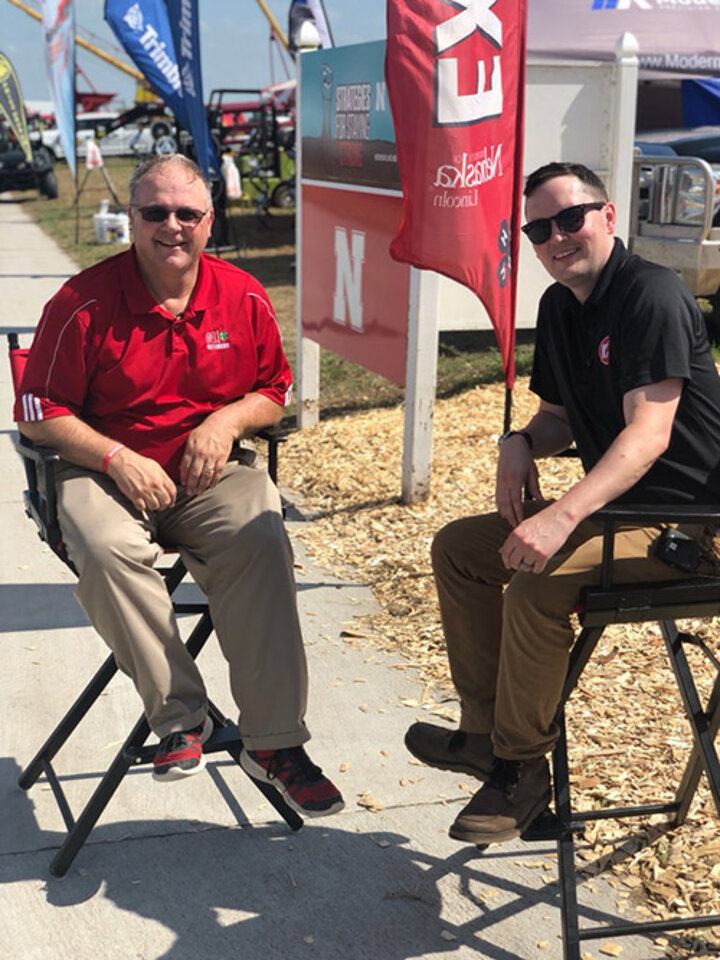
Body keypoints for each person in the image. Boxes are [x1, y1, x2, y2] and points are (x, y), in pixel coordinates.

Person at [14, 153, 344, 818]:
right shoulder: (81, 303)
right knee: (107, 551)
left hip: (208, 476)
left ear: (209, 220)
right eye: (155, 212)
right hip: (102, 474)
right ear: (131, 220)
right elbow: (38, 410)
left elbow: (273, 392)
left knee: (261, 535)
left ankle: (275, 744)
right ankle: (179, 720)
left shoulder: (242, 296)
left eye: (187, 213)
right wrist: (113, 457)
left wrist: (224, 423)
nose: (172, 225)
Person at [405, 161, 720, 845]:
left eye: (571, 218)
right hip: (620, 515)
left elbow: (648, 434)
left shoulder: (651, 294)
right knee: (459, 550)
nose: (557, 237)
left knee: (534, 580)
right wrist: (521, 439)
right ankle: (485, 736)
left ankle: (520, 771)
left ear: (610, 217)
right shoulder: (558, 306)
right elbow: (559, 416)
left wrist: (562, 512)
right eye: (539, 227)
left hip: (689, 526)